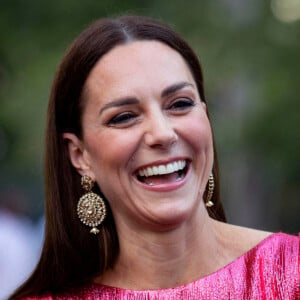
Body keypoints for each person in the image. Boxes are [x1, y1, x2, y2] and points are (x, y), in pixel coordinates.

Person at [10, 15, 299, 300]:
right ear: (80, 155)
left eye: (180, 104)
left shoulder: (291, 273)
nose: (162, 133)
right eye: (124, 117)